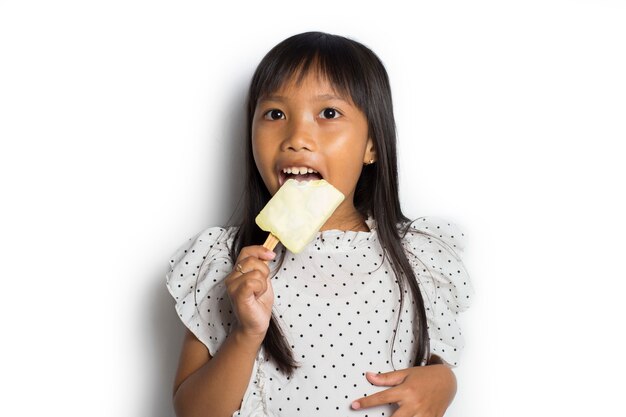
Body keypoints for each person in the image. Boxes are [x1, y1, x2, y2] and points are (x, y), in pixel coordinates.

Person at [166, 31, 474, 417]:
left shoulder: (418, 257)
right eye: (275, 114)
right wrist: (247, 334)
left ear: (372, 145)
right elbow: (193, 412)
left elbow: (432, 370)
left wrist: (445, 383)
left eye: (328, 114)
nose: (296, 137)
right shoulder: (227, 262)